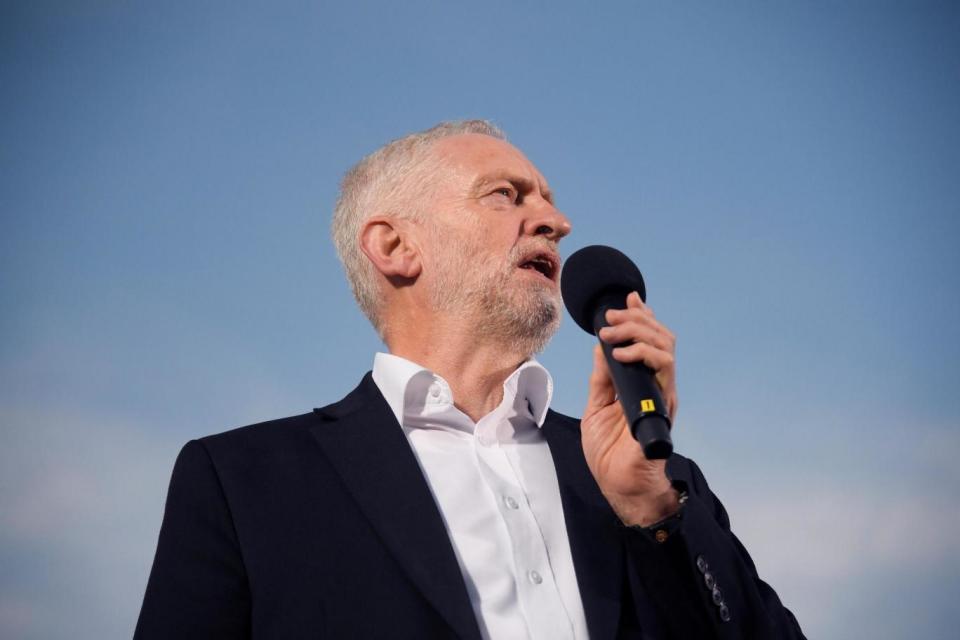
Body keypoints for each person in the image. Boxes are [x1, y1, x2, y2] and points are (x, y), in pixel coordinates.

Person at [135, 120, 806, 639]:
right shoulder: (242, 481)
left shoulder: (651, 477)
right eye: (505, 195)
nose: (556, 222)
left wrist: (654, 515)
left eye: (549, 202)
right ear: (397, 247)